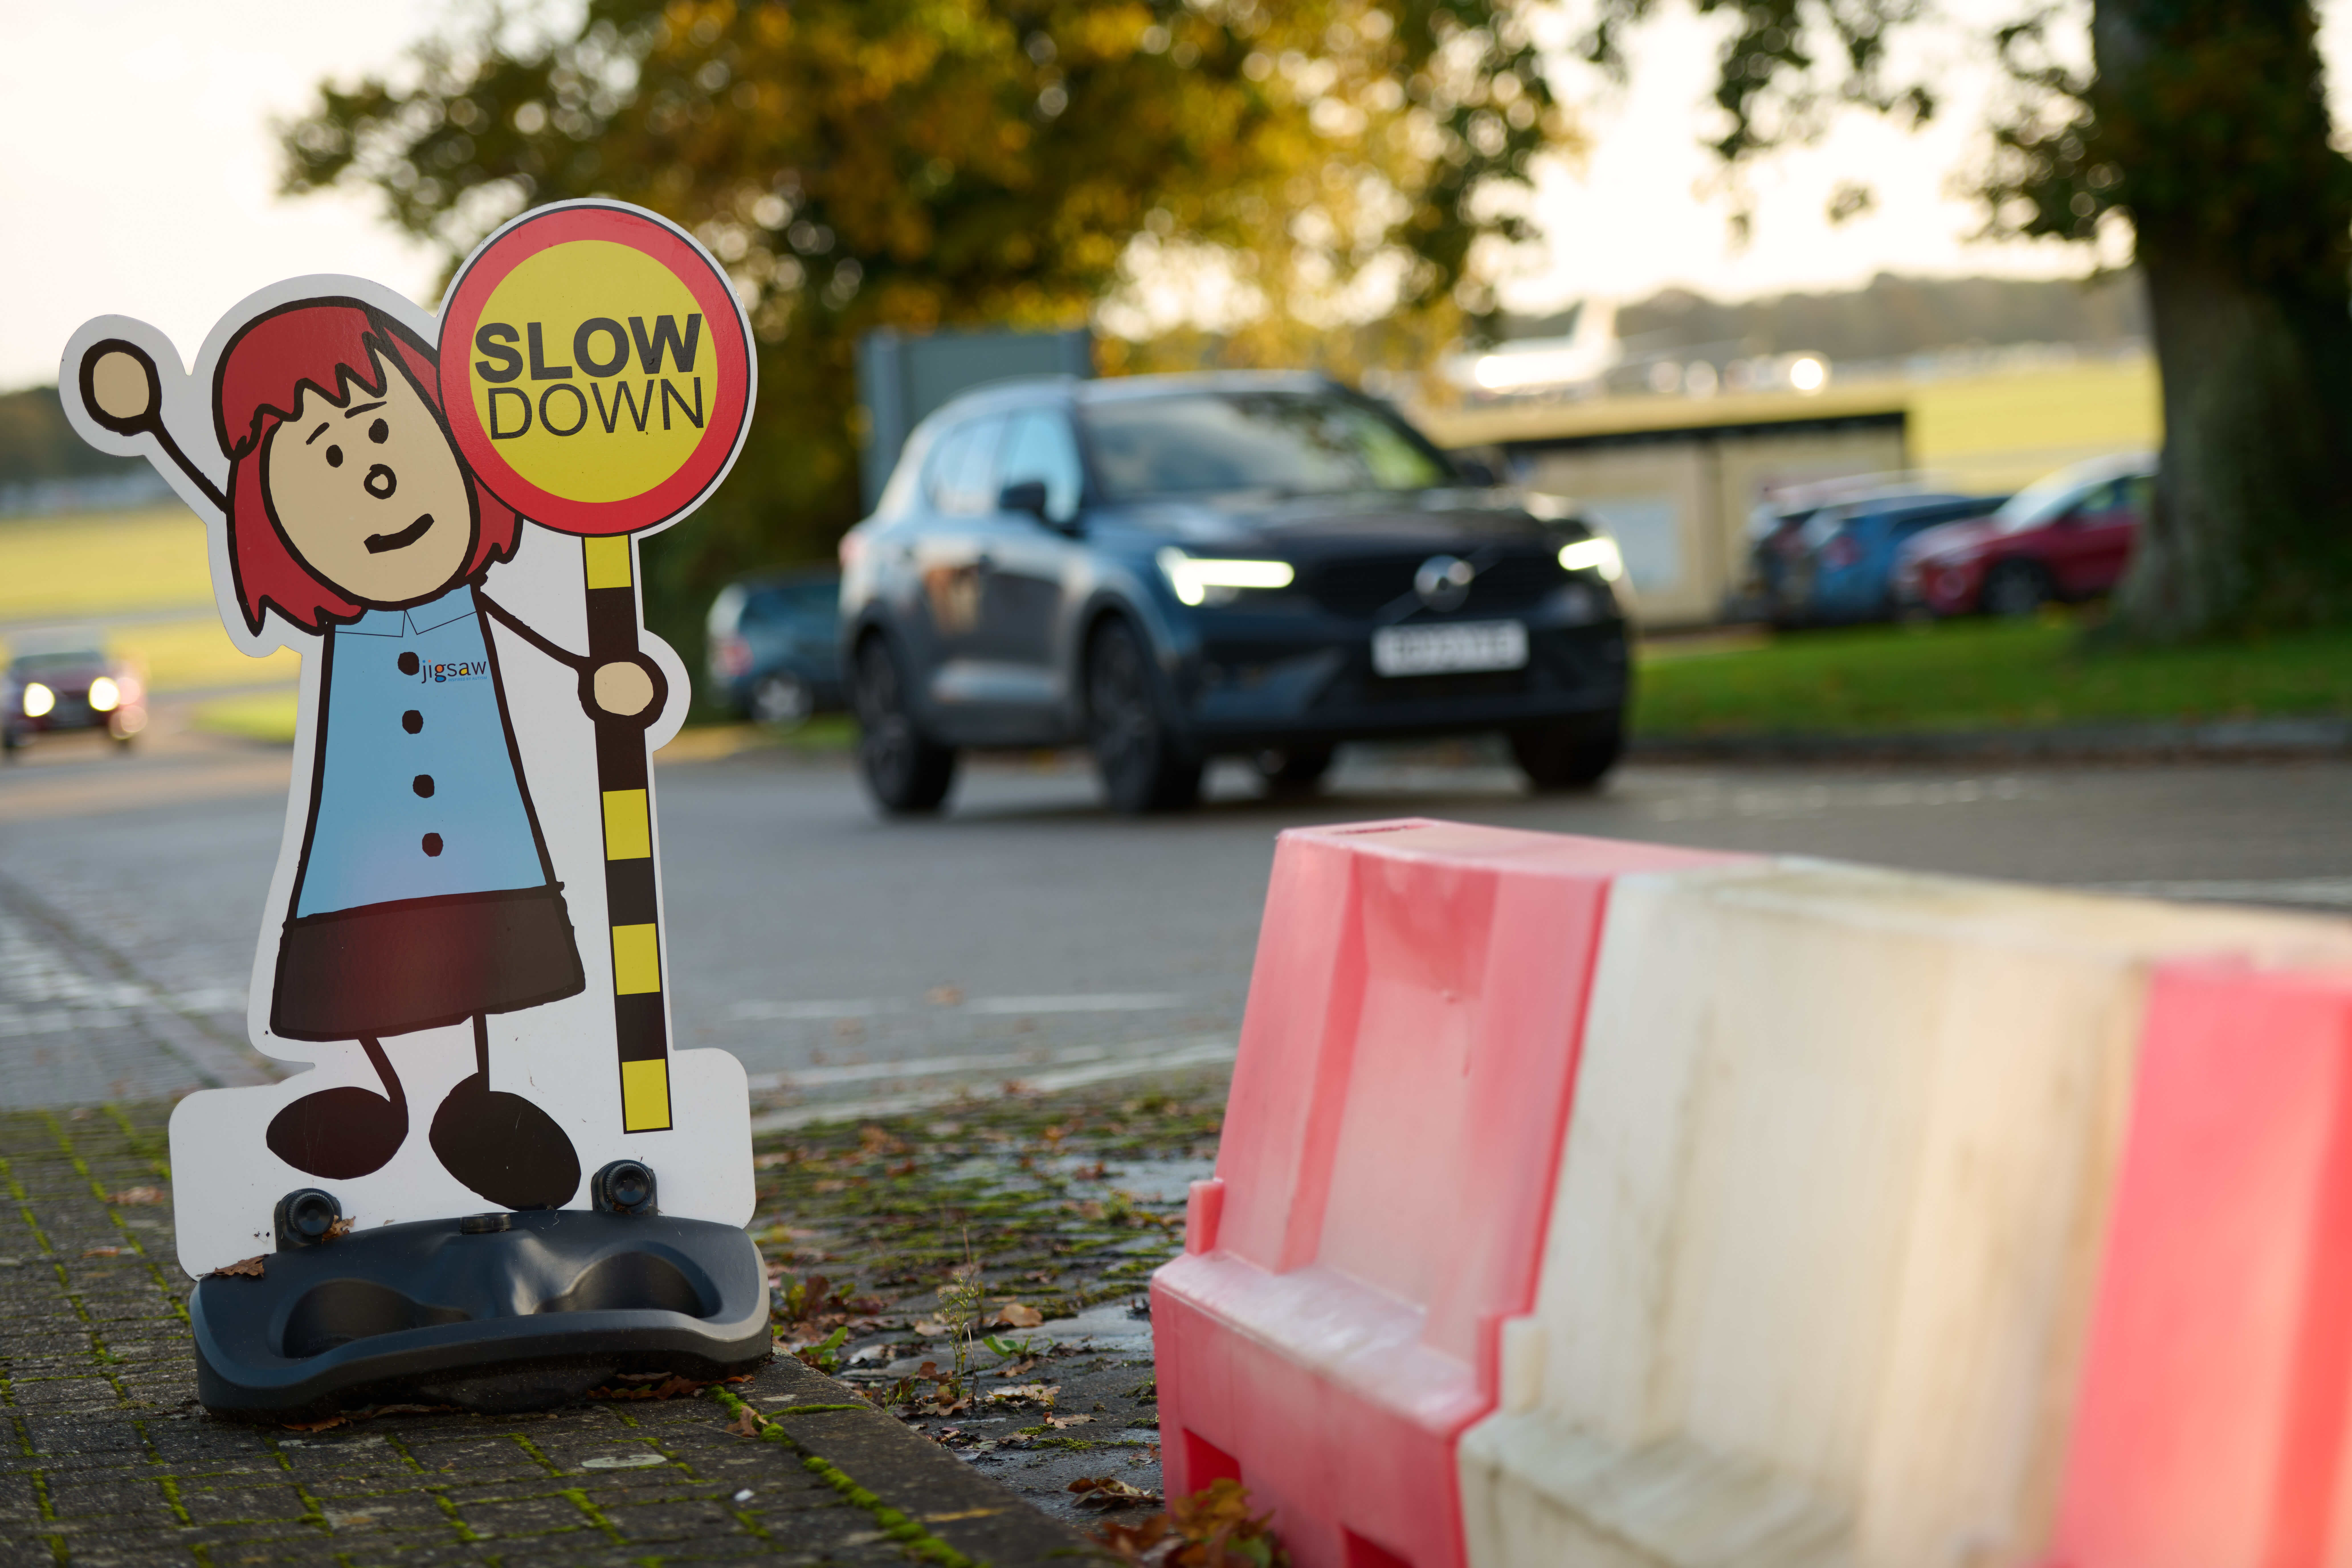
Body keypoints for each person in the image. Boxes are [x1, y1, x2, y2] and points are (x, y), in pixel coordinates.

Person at [81, 300, 664, 1210]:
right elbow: (221, 487)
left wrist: (608, 682)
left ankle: (472, 1099)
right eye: (330, 460)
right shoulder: (338, 633)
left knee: (477, 944)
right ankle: (382, 1097)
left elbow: (558, 653)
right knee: (365, 948)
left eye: (386, 430)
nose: (376, 478)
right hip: (364, 829)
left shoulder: (471, 600)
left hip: (482, 836)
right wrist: (155, 422)